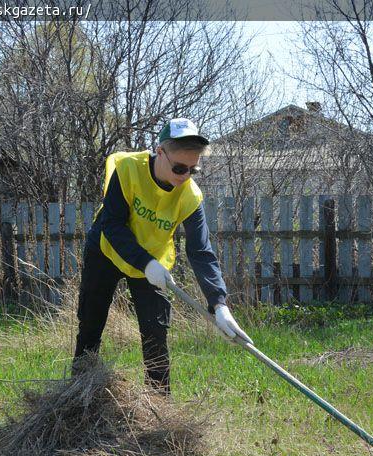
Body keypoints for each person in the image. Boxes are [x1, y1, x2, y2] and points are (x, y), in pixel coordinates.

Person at [72, 117, 252, 395]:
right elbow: (113, 224)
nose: (185, 176)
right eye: (179, 167)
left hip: (154, 266)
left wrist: (219, 304)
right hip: (108, 251)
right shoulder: (128, 169)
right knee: (91, 323)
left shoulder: (190, 196)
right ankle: (76, 395)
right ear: (160, 152)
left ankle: (159, 411)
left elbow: (200, 251)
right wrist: (145, 262)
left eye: (193, 169)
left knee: (156, 334)